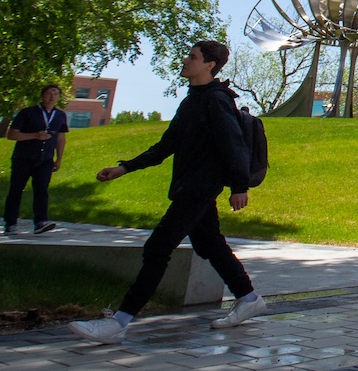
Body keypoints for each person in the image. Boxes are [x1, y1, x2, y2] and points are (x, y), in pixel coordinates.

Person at [70, 41, 265, 344]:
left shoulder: (216, 100)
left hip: (199, 190)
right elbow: (165, 146)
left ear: (210, 65)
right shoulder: (192, 101)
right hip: (190, 187)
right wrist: (124, 168)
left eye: (193, 57)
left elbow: (234, 144)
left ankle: (119, 323)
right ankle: (249, 297)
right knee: (210, 245)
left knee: (157, 248)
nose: (185, 61)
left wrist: (240, 187)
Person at [4, 84, 68, 234]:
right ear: (42, 95)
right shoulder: (27, 113)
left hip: (45, 159)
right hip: (24, 157)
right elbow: (11, 134)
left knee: (42, 190)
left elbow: (61, 137)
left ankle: (41, 221)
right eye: (49, 93)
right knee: (16, 190)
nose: (52, 97)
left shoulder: (60, 115)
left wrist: (59, 159)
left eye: (56, 94)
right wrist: (34, 135)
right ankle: (10, 223)